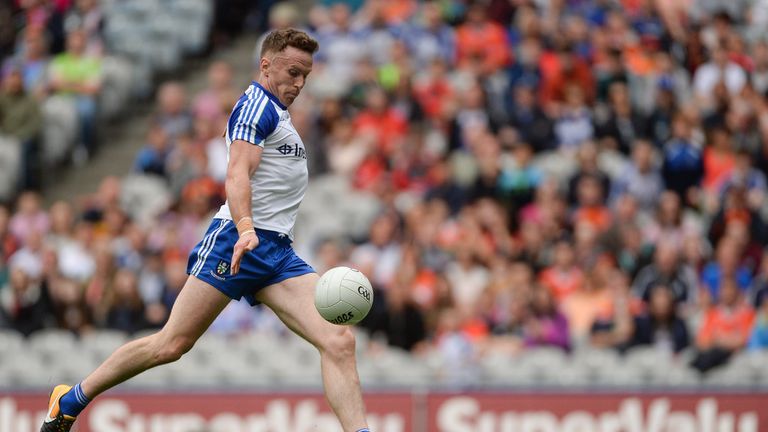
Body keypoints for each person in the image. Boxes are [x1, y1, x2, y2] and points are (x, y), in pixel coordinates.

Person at [41, 29, 373, 432]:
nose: (300, 83)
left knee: (339, 341)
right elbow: (236, 174)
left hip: (276, 252)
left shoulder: (277, 113)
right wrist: (246, 227)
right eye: (293, 72)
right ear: (266, 65)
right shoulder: (257, 108)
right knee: (171, 344)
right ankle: (71, 399)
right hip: (236, 241)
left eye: (306, 75)